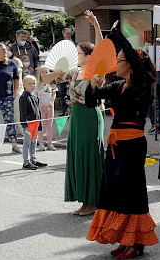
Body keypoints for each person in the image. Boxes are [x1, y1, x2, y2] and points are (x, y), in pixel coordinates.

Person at [85, 22, 159, 260]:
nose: (116, 63)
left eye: (120, 60)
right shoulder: (117, 86)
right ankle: (124, 238)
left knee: (132, 192)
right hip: (115, 144)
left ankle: (136, 242)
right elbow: (90, 102)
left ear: (131, 65)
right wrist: (92, 87)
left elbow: (138, 64)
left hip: (133, 145)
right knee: (114, 190)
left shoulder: (143, 86)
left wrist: (118, 38)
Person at [47, 11, 104, 216]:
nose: (76, 56)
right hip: (77, 115)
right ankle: (84, 200)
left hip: (90, 114)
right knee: (78, 155)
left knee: (90, 155)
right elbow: (50, 79)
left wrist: (96, 25)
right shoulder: (72, 72)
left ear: (89, 56)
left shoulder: (95, 71)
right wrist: (44, 73)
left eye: (79, 53)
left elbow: (101, 49)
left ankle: (93, 201)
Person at [18, 75, 47, 170]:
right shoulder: (24, 97)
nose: (32, 85)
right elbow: (23, 112)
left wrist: (39, 124)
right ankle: (26, 162)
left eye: (34, 83)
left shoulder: (34, 96)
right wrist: (25, 124)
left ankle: (33, 159)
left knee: (33, 143)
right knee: (27, 143)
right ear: (24, 85)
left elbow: (38, 111)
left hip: (35, 123)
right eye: (30, 83)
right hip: (28, 124)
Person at [37, 68, 57, 151]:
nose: (44, 74)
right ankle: (41, 143)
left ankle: (50, 143)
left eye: (46, 72)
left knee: (49, 125)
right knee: (41, 125)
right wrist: (42, 105)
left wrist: (49, 104)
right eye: (42, 72)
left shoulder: (52, 84)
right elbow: (35, 94)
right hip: (40, 107)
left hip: (50, 107)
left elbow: (54, 94)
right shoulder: (37, 84)